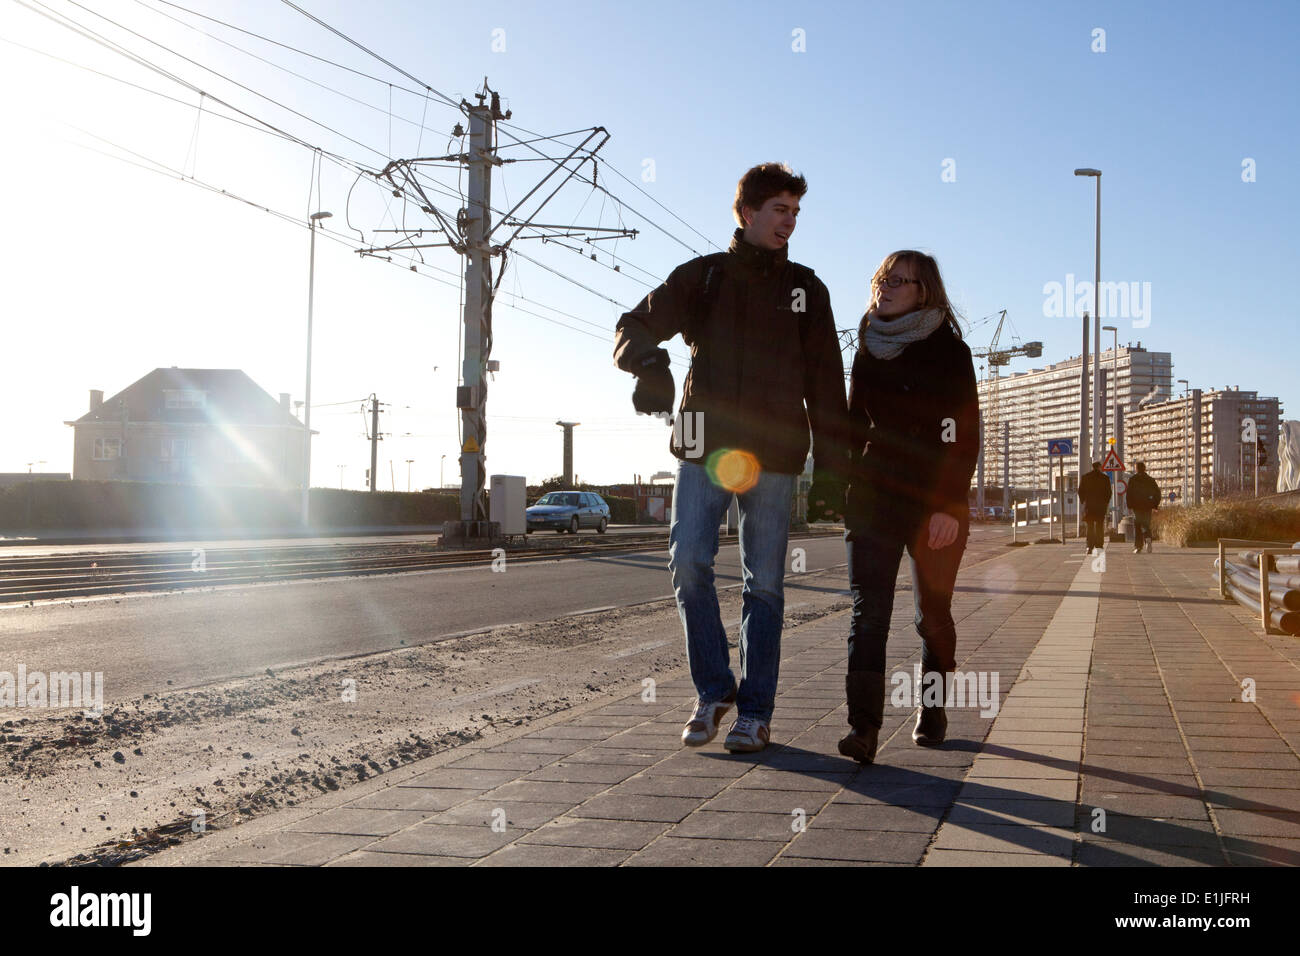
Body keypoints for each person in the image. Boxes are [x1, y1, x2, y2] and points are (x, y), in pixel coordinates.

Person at [612, 163, 849, 754]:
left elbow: (826, 383)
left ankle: (756, 712)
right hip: (701, 444)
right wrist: (649, 364)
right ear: (746, 213)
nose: (789, 222)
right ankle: (715, 690)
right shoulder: (704, 278)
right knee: (689, 562)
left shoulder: (806, 291)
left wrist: (834, 470)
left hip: (773, 452)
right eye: (779, 210)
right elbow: (634, 323)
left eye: (795, 212)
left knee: (764, 583)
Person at [835, 251, 979, 765]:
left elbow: (963, 437)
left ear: (924, 292)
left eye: (900, 281)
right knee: (867, 614)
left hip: (933, 503)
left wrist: (947, 505)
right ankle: (863, 730)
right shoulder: (868, 345)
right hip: (874, 499)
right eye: (882, 278)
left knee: (930, 613)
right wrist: (842, 487)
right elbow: (853, 426)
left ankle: (933, 706)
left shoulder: (950, 353)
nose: (887, 287)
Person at [1125, 461, 1161, 553]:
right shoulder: (1150, 480)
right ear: (1144, 469)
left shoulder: (1133, 479)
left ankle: (1138, 546)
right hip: (1148, 505)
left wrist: (1129, 505)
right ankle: (1148, 539)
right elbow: (1157, 493)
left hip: (1137, 506)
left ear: (1136, 469)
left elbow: (1129, 493)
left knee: (1137, 525)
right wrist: (1155, 505)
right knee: (1146, 524)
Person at [1078, 462, 1112, 555]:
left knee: (1090, 527)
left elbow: (1080, 491)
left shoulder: (1085, 477)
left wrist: (1083, 501)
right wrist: (1105, 502)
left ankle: (1089, 546)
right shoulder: (1105, 479)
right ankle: (1099, 546)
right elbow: (1108, 493)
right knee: (1099, 526)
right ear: (1100, 467)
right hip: (1100, 507)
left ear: (1092, 467)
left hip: (1089, 506)